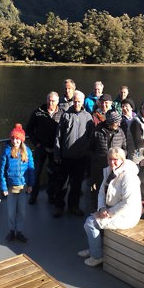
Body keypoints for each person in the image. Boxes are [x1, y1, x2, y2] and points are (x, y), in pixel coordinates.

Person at [78, 147, 141, 267]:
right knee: (91, 221)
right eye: (110, 159)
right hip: (110, 209)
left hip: (127, 215)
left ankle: (97, 256)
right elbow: (102, 192)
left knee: (90, 223)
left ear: (122, 160)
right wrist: (101, 208)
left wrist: (109, 212)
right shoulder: (109, 171)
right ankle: (93, 249)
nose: (112, 162)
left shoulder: (128, 176)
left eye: (116, 159)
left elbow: (128, 203)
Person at [54, 90, 94, 218]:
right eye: (75, 101)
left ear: (83, 102)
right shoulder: (65, 115)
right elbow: (58, 136)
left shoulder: (88, 117)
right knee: (62, 185)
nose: (77, 103)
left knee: (76, 185)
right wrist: (57, 154)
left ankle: (73, 206)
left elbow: (91, 137)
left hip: (80, 158)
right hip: (66, 157)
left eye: (79, 101)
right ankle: (59, 207)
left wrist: (87, 153)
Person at [25, 91, 62, 204]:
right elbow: (29, 129)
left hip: (54, 149)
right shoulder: (38, 112)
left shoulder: (62, 114)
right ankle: (33, 196)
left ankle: (51, 196)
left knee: (52, 173)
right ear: (46, 100)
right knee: (36, 173)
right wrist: (36, 143)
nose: (51, 103)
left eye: (53, 101)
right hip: (40, 148)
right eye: (49, 100)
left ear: (58, 101)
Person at [0, 124, 34, 243]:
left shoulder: (28, 152)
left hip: (23, 187)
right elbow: (2, 171)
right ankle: (11, 231)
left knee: (22, 211)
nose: (15, 141)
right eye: (13, 138)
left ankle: (19, 231)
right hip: (11, 187)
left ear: (22, 139)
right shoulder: (7, 152)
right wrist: (4, 187)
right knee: (10, 212)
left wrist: (30, 184)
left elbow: (31, 169)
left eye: (18, 138)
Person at [89, 109, 126, 210]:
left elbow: (124, 148)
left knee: (113, 188)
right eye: (116, 122)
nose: (118, 124)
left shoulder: (120, 132)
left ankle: (111, 209)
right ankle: (96, 209)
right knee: (98, 189)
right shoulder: (97, 131)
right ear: (110, 122)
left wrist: (120, 162)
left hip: (115, 168)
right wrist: (97, 159)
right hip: (99, 166)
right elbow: (90, 148)